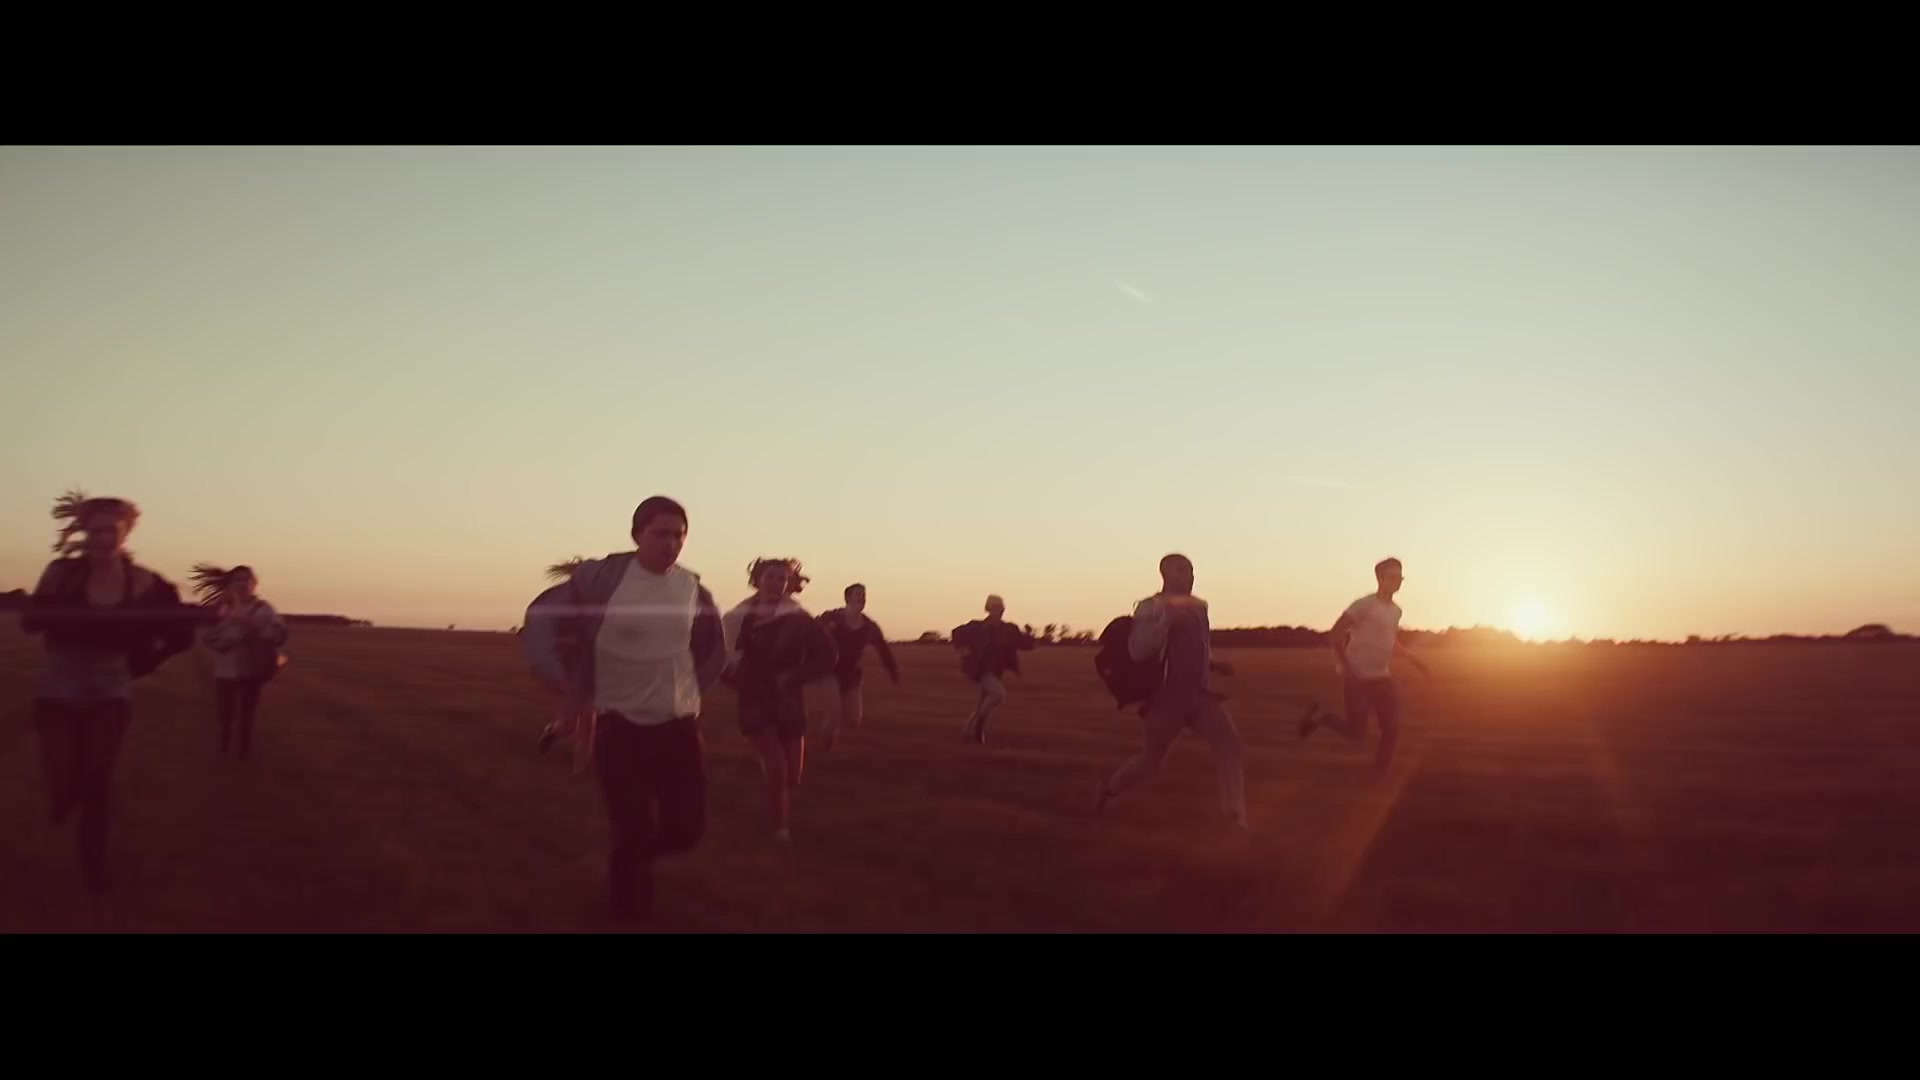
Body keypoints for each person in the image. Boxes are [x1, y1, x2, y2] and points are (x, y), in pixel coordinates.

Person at [520, 496, 728, 923]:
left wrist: (693, 689)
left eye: (679, 535)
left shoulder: (692, 588)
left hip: (677, 724)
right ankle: (627, 912)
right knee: (632, 825)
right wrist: (561, 677)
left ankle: (631, 862)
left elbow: (712, 646)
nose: (671, 543)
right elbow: (541, 617)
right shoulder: (603, 582)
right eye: (660, 534)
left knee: (687, 830)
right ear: (637, 536)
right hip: (618, 725)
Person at [20, 492, 196, 894]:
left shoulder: (145, 582)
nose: (102, 539)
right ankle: (64, 796)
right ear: (84, 532)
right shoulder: (61, 573)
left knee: (98, 782)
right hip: (59, 684)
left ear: (126, 533)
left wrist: (146, 660)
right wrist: (52, 611)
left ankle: (94, 870)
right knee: (64, 779)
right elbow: (30, 623)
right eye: (95, 531)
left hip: (110, 687)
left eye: (110, 531)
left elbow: (180, 632)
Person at [1093, 554, 1248, 829]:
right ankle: (1110, 791)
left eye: (1191, 571)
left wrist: (1215, 664)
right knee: (1151, 761)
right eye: (1182, 571)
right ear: (1165, 574)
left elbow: (1199, 647)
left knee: (1230, 748)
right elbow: (1138, 652)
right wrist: (1165, 622)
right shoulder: (1150, 607)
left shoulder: (1199, 607)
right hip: (1165, 700)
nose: (1190, 576)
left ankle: (1233, 817)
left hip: (1200, 696)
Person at [722, 558, 838, 844]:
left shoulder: (799, 618)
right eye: (770, 577)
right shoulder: (737, 619)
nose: (775, 583)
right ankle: (780, 830)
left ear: (789, 584)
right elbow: (722, 661)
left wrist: (797, 677)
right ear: (757, 580)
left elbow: (828, 654)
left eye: (781, 579)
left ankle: (775, 788)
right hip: (755, 699)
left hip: (788, 700)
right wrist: (740, 682)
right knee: (778, 767)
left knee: (793, 776)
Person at [1299, 557, 1431, 778]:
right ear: (1380, 578)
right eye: (1392, 577)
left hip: (1381, 677)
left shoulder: (1396, 611)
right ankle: (1321, 718)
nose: (1397, 581)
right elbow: (1335, 634)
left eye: (1400, 577)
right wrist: (1346, 667)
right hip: (1357, 678)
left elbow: (1389, 641)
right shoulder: (1364, 605)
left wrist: (1413, 659)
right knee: (1356, 733)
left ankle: (1378, 774)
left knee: (1391, 728)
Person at [193, 564, 290, 759]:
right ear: (230, 583)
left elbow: (279, 635)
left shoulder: (264, 609)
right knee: (225, 712)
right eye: (238, 580)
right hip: (225, 669)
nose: (243, 584)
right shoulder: (221, 609)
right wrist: (226, 642)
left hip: (253, 669)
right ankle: (224, 745)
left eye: (247, 579)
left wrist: (252, 628)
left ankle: (244, 751)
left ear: (255, 583)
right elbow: (208, 636)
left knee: (247, 712)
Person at [815, 583, 900, 752]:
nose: (862, 598)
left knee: (854, 720)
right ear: (847, 598)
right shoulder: (832, 617)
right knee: (834, 713)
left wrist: (893, 671)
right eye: (858, 594)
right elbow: (812, 631)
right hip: (829, 673)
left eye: (864, 595)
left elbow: (882, 649)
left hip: (851, 676)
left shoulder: (869, 626)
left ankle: (829, 733)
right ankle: (825, 741)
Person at [951, 595, 1035, 745]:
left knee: (982, 703)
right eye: (996, 608)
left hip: (996, 671)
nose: (999, 611)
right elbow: (956, 633)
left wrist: (1029, 634)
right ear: (988, 609)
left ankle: (968, 732)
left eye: (1001, 608)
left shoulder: (1009, 629)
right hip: (979, 670)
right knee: (998, 694)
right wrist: (963, 648)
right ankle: (978, 728)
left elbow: (1025, 645)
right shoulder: (976, 627)